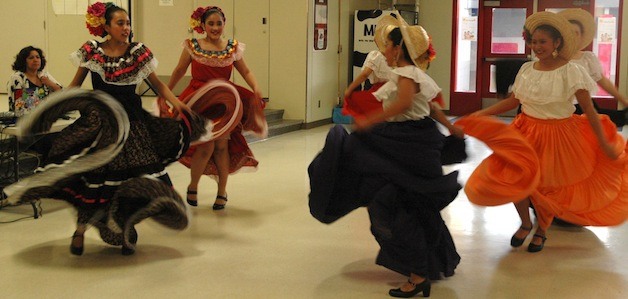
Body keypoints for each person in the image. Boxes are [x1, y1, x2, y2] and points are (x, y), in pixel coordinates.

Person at [6, 2, 205, 256]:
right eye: (120, 23)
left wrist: (178, 102)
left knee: (132, 182)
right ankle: (79, 232)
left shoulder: (137, 52)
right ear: (106, 26)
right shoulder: (92, 52)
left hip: (133, 128)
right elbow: (75, 87)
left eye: (128, 23)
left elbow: (159, 85)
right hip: (101, 126)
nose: (126, 28)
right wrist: (51, 108)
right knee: (95, 182)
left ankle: (125, 236)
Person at [309, 15, 463, 298]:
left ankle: (418, 274)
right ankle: (426, 265)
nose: (384, 52)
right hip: (414, 143)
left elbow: (405, 103)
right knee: (407, 206)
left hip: (406, 145)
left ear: (398, 50)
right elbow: (430, 107)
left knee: (396, 208)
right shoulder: (416, 74)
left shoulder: (407, 74)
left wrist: (372, 121)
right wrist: (451, 127)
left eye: (388, 47)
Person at [460, 11, 627, 253]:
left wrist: (604, 142)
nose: (537, 47)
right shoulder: (527, 69)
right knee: (516, 179)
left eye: (543, 42)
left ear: (557, 43)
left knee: (548, 188)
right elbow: (512, 100)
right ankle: (526, 223)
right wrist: (479, 115)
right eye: (533, 42)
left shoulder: (572, 71)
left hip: (558, 136)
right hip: (525, 131)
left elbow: (589, 110)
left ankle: (541, 230)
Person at [163, 5, 266, 210]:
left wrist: (255, 87)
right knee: (205, 145)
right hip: (199, 102)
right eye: (211, 23)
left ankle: (222, 192)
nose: (215, 27)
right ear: (203, 25)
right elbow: (179, 70)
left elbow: (246, 71)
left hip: (224, 103)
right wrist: (165, 92)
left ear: (224, 24)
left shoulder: (232, 47)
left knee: (221, 147)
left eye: (219, 23)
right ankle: (193, 185)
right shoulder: (192, 46)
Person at [558, 8, 628, 123]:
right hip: (558, 111)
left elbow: (602, 81)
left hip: (582, 108)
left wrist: (623, 100)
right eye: (569, 32)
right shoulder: (552, 58)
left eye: (576, 33)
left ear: (581, 36)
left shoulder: (587, 58)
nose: (573, 37)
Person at [7, 46, 62, 116]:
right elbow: (18, 106)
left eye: (37, 57)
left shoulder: (43, 74)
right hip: (25, 119)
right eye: (31, 58)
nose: (35, 60)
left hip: (46, 116)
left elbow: (61, 92)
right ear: (23, 61)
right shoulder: (17, 78)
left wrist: (50, 83)